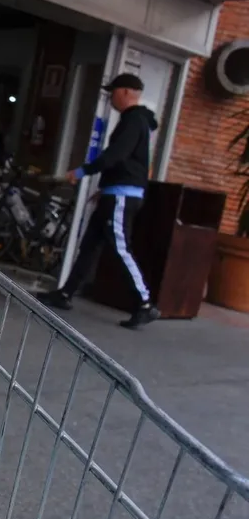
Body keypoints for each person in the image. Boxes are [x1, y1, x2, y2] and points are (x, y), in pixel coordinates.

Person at [37, 73, 160, 329]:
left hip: (122, 195)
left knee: (120, 248)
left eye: (113, 92)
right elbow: (125, 160)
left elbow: (115, 155)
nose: (111, 97)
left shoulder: (133, 120)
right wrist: (104, 188)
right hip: (116, 192)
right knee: (90, 245)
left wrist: (82, 172)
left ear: (127, 92)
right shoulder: (136, 121)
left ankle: (145, 303)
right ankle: (65, 293)